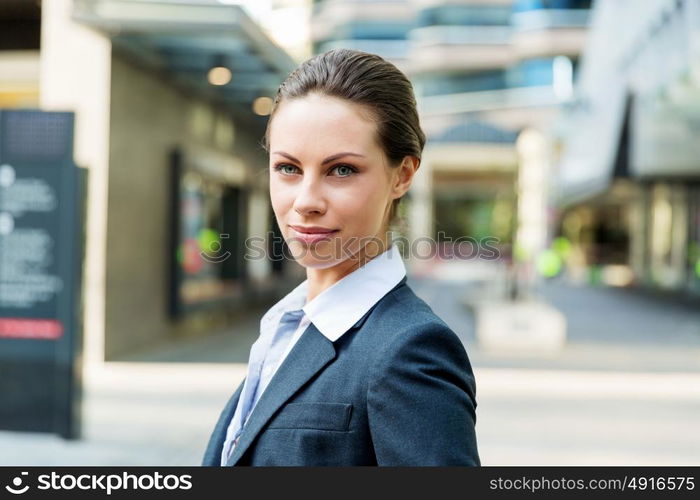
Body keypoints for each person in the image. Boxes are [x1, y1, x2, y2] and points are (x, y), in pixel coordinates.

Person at [202, 48, 480, 466]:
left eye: (342, 170)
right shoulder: (286, 326)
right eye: (288, 168)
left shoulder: (410, 349)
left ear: (402, 175)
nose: (306, 201)